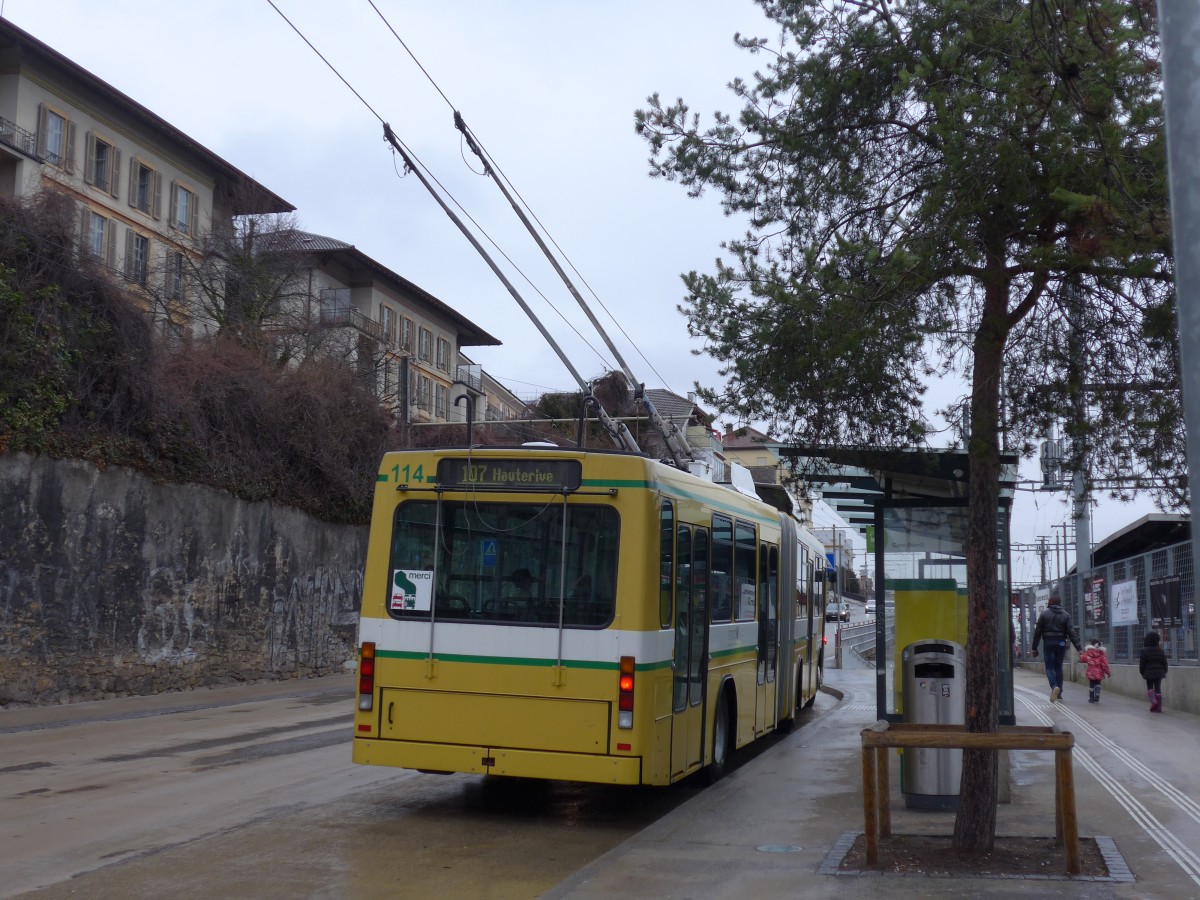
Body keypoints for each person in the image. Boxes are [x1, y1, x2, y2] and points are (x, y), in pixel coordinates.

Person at [1030, 592, 1082, 702]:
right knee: (1058, 667)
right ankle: (1060, 693)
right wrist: (1079, 648)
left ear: (1052, 602)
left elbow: (1037, 632)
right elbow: (1071, 632)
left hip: (1049, 642)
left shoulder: (1044, 614)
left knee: (1049, 667)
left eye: (1049, 600)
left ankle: (1054, 686)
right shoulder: (1066, 615)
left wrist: (1034, 648)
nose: (1048, 602)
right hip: (1061, 643)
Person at [1139, 631, 1169, 713]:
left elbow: (1142, 664)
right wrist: (1164, 671)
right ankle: (1159, 707)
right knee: (1158, 688)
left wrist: (1142, 673)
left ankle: (1154, 702)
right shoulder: (1160, 650)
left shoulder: (1144, 650)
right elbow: (1164, 662)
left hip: (1148, 673)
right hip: (1159, 673)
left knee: (1150, 688)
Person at [1079, 638, 1111, 704]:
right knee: (1098, 684)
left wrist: (1081, 655)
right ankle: (1097, 694)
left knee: (1091, 685)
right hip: (1099, 672)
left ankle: (1091, 699)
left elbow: (1083, 659)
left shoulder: (1089, 653)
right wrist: (1108, 672)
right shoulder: (1102, 654)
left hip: (1091, 672)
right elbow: (1105, 664)